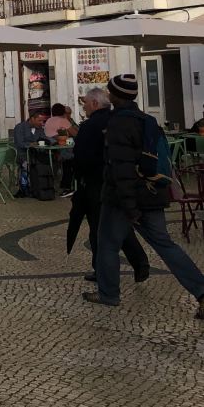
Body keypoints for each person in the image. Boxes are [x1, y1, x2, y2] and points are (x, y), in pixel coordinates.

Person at [84, 74, 204, 319]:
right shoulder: (147, 120)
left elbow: (121, 168)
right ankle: (202, 292)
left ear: (117, 96)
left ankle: (109, 293)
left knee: (107, 244)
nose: (108, 94)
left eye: (110, 91)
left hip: (123, 199)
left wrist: (130, 207)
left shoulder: (118, 124)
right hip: (153, 192)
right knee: (165, 245)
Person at [70, 87, 149, 284]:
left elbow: (81, 156)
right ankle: (140, 262)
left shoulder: (90, 125)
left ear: (95, 103)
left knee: (99, 229)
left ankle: (102, 273)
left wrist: (78, 177)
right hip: (120, 181)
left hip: (96, 183)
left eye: (85, 104)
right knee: (120, 225)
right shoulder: (117, 120)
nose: (84, 108)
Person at [43, 103, 78, 196]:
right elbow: (75, 134)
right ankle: (68, 187)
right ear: (63, 112)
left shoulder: (49, 120)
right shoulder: (63, 121)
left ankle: (64, 186)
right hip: (61, 150)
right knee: (72, 159)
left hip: (49, 150)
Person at [11, 110, 48, 198]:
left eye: (43, 121)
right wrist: (31, 144)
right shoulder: (20, 127)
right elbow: (19, 143)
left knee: (49, 160)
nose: (42, 123)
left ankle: (42, 186)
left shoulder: (40, 129)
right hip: (22, 154)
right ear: (32, 119)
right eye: (39, 120)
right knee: (26, 164)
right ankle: (24, 189)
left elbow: (44, 139)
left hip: (37, 154)